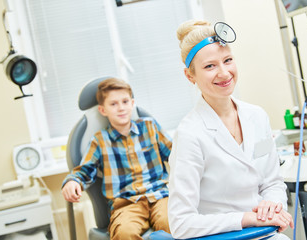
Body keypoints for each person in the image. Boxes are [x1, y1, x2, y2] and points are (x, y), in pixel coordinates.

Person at [168, 20, 294, 239]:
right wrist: (247, 218)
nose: (224, 73)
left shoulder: (257, 116)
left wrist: (272, 207)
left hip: (266, 232)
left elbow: (272, 182)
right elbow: (181, 223)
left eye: (227, 60)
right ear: (190, 76)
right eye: (210, 66)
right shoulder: (190, 134)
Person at [61, 78, 172, 240]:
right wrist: (73, 181)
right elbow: (84, 170)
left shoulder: (150, 127)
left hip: (160, 196)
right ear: (102, 110)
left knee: (172, 223)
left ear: (132, 103)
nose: (121, 108)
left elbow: (176, 155)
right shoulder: (99, 140)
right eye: (113, 104)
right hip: (126, 204)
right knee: (124, 233)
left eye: (125, 101)